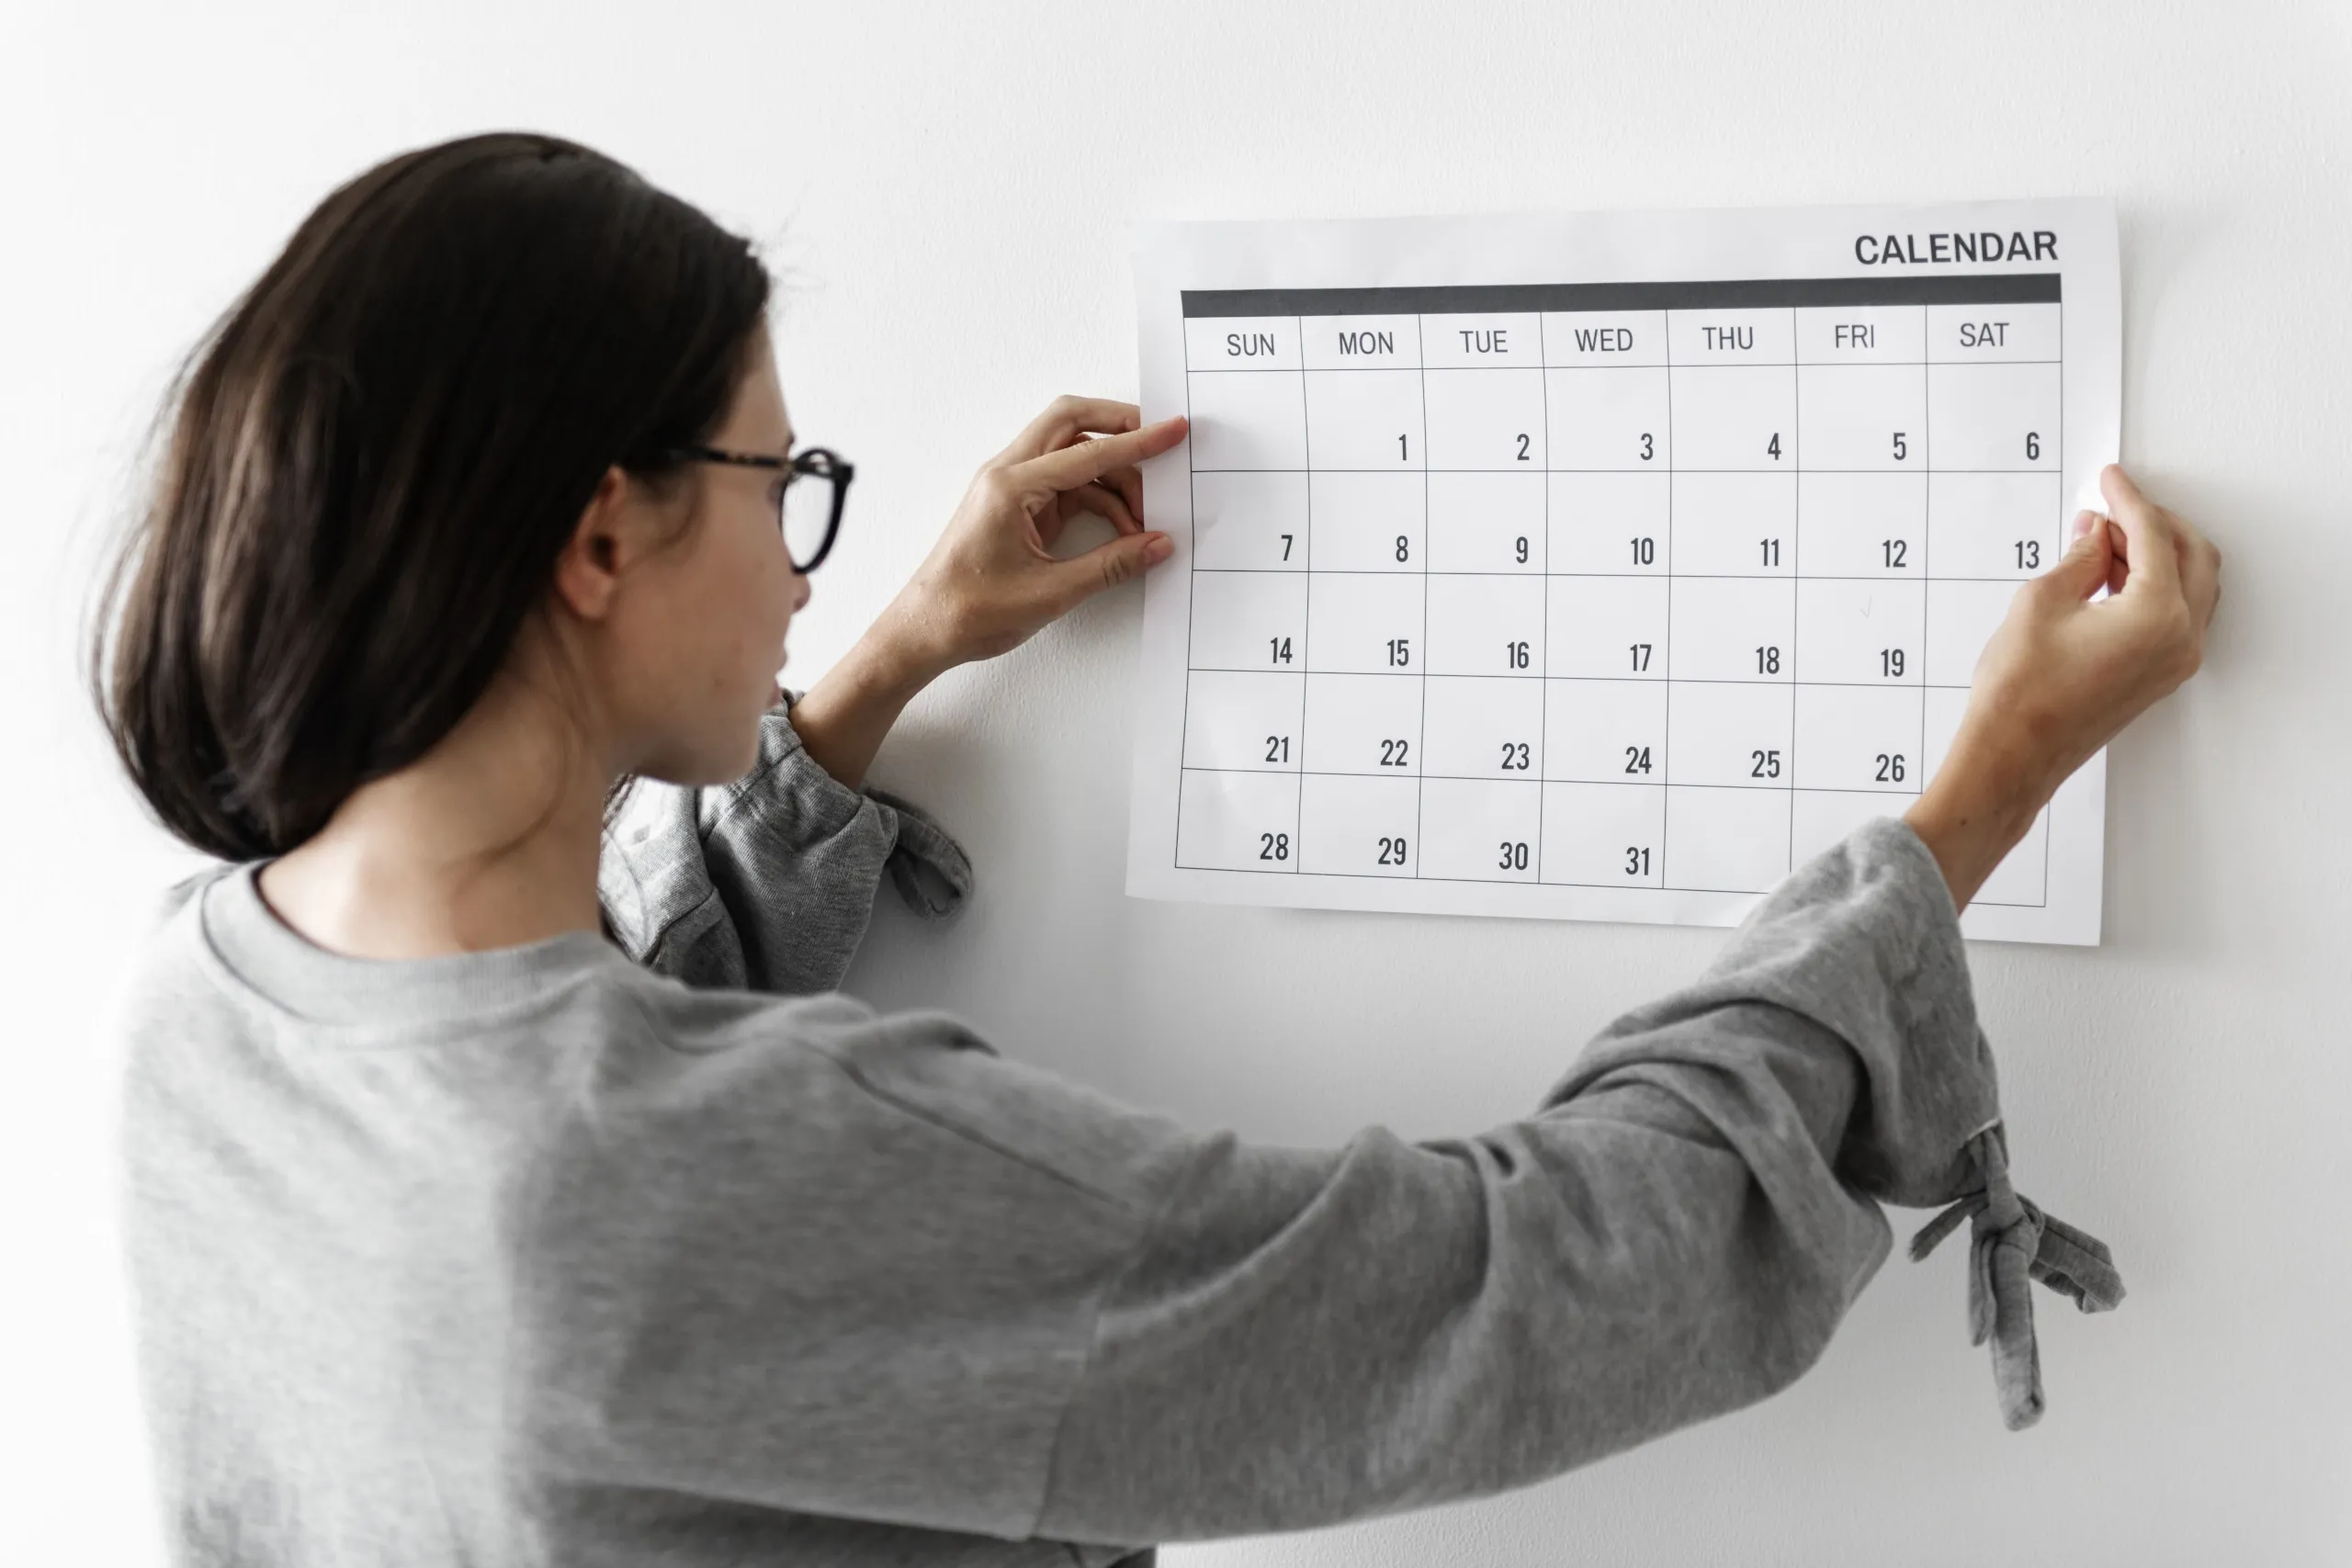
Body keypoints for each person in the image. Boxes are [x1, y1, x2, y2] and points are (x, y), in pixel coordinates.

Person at [95, 132, 2218, 1568]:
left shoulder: (214, 1001)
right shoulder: (700, 1173)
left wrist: (872, 675)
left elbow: (569, 1074)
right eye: (778, 479)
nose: (807, 559)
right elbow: (1529, 1283)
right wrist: (1968, 808)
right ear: (594, 535)